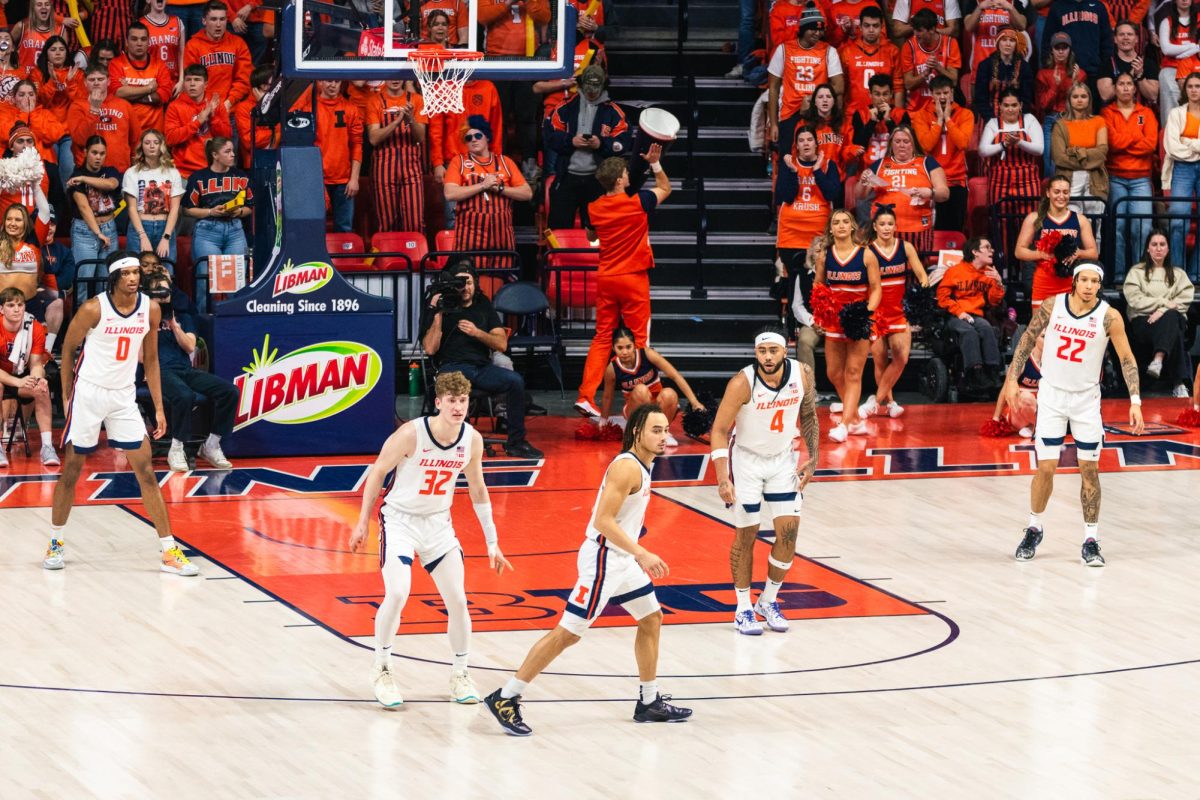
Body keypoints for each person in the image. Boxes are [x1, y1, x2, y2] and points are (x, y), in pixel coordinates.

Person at [483, 403, 693, 735]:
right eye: (656, 430)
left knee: (651, 618)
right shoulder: (627, 468)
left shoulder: (644, 464)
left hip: (621, 560)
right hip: (603, 560)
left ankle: (649, 701)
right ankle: (506, 696)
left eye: (666, 429)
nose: (663, 436)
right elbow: (603, 521)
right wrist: (642, 553)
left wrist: (633, 554)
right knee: (568, 634)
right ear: (636, 432)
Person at [346, 369, 514, 707]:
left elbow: (478, 489)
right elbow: (378, 470)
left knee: (458, 601)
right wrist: (362, 522)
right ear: (438, 402)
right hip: (400, 522)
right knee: (397, 593)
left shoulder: (472, 439)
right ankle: (382, 669)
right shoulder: (411, 434)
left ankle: (460, 674)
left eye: (463, 401)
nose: (458, 407)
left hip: (438, 525)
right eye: (451, 401)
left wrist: (492, 541)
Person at [43, 250, 200, 576]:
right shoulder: (92, 309)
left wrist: (158, 407)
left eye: (136, 273)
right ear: (115, 277)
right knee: (72, 469)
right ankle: (56, 541)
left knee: (146, 471)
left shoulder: (151, 309)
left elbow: (152, 360)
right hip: (89, 393)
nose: (134, 277)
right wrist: (68, 395)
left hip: (124, 396)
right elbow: (68, 349)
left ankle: (169, 551)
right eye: (127, 273)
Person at [1006, 261, 1144, 567]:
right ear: (1074, 281)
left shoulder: (1109, 317)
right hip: (1053, 397)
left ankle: (1090, 540)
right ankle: (1034, 527)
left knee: (1089, 471)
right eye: (1084, 280)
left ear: (1100, 285)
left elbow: (1126, 358)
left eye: (1095, 281)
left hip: (1086, 401)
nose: (1089, 286)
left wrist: (1135, 400)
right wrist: (1012, 380)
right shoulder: (1052, 306)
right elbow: (1027, 339)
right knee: (1046, 468)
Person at [709, 324, 819, 634]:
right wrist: (721, 478)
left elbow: (809, 414)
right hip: (746, 462)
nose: (767, 357)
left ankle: (768, 601)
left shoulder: (802, 374)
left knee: (788, 536)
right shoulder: (742, 383)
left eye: (773, 350)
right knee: (747, 535)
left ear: (786, 350)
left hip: (783, 460)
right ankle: (743, 607)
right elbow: (718, 430)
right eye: (762, 351)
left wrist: (813, 459)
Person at [573, 146, 671, 418]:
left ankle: (586, 396)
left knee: (602, 337)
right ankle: (646, 400)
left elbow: (592, 236)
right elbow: (666, 187)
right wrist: (655, 164)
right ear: (619, 180)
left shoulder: (593, 208)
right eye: (626, 173)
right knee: (640, 341)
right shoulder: (638, 201)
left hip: (606, 277)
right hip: (633, 278)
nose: (629, 175)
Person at [420, 259, 543, 459]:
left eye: (468, 282)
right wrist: (438, 315)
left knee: (515, 381)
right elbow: (430, 349)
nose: (465, 288)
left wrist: (477, 333)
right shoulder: (441, 307)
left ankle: (516, 443)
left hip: (481, 368)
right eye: (459, 283)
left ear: (475, 283)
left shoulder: (483, 305)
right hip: (452, 367)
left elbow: (501, 344)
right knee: (453, 385)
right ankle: (455, 444)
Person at [142, 267, 237, 470]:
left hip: (185, 370)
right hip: (159, 371)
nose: (163, 297)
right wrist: (152, 323)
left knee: (229, 391)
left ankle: (211, 445)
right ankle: (176, 448)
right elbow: (141, 358)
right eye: (157, 293)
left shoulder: (184, 318)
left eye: (166, 293)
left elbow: (190, 346)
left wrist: (174, 326)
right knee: (184, 395)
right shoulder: (140, 320)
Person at [814, 209, 881, 441]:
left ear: (852, 227)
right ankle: (854, 418)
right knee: (834, 372)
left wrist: (867, 312)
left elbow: (876, 289)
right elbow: (818, 287)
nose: (841, 226)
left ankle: (844, 425)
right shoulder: (825, 256)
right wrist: (821, 313)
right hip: (835, 321)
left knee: (853, 372)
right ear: (830, 229)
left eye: (845, 222)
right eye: (836, 222)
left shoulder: (866, 255)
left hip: (859, 320)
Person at [544, 64, 632, 230]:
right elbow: (550, 136)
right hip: (567, 176)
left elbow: (623, 142)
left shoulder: (614, 112)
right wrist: (570, 141)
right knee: (558, 228)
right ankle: (558, 256)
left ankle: (597, 257)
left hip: (598, 180)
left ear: (603, 86)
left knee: (597, 230)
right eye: (588, 86)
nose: (592, 91)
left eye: (596, 86)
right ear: (581, 84)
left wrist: (601, 144)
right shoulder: (565, 107)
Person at [860, 206, 928, 418]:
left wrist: (920, 297)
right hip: (876, 314)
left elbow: (922, 276)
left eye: (890, 224)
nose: (886, 228)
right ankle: (889, 403)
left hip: (899, 312)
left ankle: (874, 400)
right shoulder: (868, 251)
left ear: (896, 226)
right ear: (875, 227)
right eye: (882, 224)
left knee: (901, 357)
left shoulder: (905, 247)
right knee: (880, 360)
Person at [777, 126, 841, 341]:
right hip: (791, 232)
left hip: (818, 234)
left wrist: (816, 171)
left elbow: (833, 193)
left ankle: (820, 321)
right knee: (794, 276)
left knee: (817, 277)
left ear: (816, 143)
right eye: (801, 140)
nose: (805, 144)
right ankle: (792, 325)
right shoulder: (788, 165)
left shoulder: (829, 165)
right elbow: (785, 195)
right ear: (797, 145)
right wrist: (793, 173)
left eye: (809, 139)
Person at [443, 115, 532, 261]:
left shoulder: (505, 162)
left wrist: (501, 188)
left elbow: (527, 193)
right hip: (469, 241)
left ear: (487, 137)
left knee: (501, 281)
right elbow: (450, 193)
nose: (473, 140)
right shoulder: (458, 162)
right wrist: (482, 186)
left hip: (501, 240)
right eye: (468, 138)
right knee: (469, 281)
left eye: (478, 135)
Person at [598, 326, 706, 445]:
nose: (625, 352)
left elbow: (675, 375)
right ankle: (640, 432)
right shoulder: (612, 368)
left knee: (669, 394)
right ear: (613, 348)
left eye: (628, 347)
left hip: (657, 404)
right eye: (620, 348)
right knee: (641, 390)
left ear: (634, 345)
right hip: (634, 407)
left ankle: (663, 433)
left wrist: (694, 402)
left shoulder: (647, 354)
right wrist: (603, 421)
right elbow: (607, 396)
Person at [1122, 230, 1195, 396]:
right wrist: (1164, 303)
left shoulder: (1178, 274)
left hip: (1171, 320)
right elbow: (1135, 300)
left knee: (1171, 318)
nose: (1158, 248)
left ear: (1168, 249)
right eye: (1154, 244)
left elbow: (1184, 300)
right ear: (1147, 248)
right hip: (1145, 322)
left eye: (1162, 245)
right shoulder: (1137, 272)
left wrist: (1161, 311)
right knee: (1173, 322)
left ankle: (1158, 360)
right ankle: (1179, 383)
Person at [767, 3, 844, 158]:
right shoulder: (784, 49)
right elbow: (773, 88)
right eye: (813, 29)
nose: (817, 33)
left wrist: (812, 98)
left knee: (818, 160)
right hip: (789, 114)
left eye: (820, 30)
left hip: (818, 115)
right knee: (788, 162)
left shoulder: (829, 51)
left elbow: (839, 86)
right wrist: (774, 123)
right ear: (802, 29)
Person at [857, 124, 948, 254]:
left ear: (913, 144)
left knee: (915, 270)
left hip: (917, 231)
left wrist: (929, 192)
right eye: (897, 141)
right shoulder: (880, 164)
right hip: (884, 231)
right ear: (891, 144)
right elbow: (860, 195)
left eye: (906, 141)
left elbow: (944, 193)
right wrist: (862, 181)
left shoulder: (927, 163)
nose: (902, 145)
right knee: (884, 270)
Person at [183, 137, 252, 308]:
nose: (233, 155)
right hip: (208, 230)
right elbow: (187, 209)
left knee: (236, 280)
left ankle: (235, 322)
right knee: (205, 280)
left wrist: (240, 211)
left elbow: (250, 206)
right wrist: (210, 211)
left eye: (232, 151)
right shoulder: (199, 177)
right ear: (215, 154)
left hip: (235, 229)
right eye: (227, 152)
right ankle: (203, 326)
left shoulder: (240, 176)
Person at [1013, 174, 1099, 311]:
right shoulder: (1034, 218)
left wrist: (1078, 253)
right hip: (1043, 281)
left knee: (1068, 328)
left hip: (1070, 280)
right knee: (1041, 329)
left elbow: (1094, 252)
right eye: (1057, 192)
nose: (1061, 196)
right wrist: (1041, 254)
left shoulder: (1080, 219)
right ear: (1048, 193)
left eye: (1065, 192)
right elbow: (1019, 251)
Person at [1103, 72, 1158, 280]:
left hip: (1141, 179)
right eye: (1121, 84)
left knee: (1141, 228)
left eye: (1129, 84)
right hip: (1116, 177)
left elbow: (1150, 144)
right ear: (1115, 88)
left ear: (1135, 89)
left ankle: (1139, 276)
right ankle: (1118, 276)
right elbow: (1112, 142)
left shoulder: (1146, 113)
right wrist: (1136, 138)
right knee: (1118, 228)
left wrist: (1125, 142)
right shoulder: (1107, 113)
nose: (1125, 87)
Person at [937, 237, 1007, 390]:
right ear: (975, 252)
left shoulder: (989, 273)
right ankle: (975, 373)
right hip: (955, 315)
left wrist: (999, 282)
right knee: (969, 332)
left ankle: (993, 372)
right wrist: (959, 312)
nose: (992, 250)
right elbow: (942, 297)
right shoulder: (955, 271)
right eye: (987, 247)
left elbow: (994, 301)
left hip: (976, 315)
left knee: (988, 329)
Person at [0, 286, 57, 466]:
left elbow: (35, 363)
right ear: (1, 309)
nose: (16, 309)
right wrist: (18, 381)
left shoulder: (34, 327)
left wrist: (37, 378)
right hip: (5, 376)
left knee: (41, 388)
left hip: (21, 374)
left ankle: (47, 446)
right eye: (10, 305)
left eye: (20, 304)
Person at [912, 75, 974, 232]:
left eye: (946, 93)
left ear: (952, 93)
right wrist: (939, 121)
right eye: (938, 93)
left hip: (957, 180)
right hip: (931, 182)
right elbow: (926, 145)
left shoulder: (965, 114)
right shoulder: (920, 115)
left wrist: (948, 118)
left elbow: (963, 143)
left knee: (955, 231)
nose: (942, 97)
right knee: (933, 231)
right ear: (932, 95)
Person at [367, 79, 427, 234]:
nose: (395, 80)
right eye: (391, 76)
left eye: (398, 76)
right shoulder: (375, 100)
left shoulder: (416, 100)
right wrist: (397, 122)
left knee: (415, 222)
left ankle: (414, 257)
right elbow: (373, 138)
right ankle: (388, 258)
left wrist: (411, 120)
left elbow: (421, 137)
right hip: (384, 169)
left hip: (412, 169)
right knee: (386, 223)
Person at [979, 88, 1043, 216]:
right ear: (1000, 107)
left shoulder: (1030, 120)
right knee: (1000, 222)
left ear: (1020, 106)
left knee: (1029, 221)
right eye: (1006, 105)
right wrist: (1003, 144)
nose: (1010, 109)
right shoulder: (993, 123)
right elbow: (982, 150)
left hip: (1028, 181)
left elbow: (1039, 149)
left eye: (1014, 105)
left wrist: (1018, 142)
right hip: (999, 182)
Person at [68, 136, 121, 289]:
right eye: (94, 152)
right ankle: (81, 312)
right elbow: (84, 209)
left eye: (102, 153)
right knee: (83, 280)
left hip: (110, 227)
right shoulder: (75, 175)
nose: (98, 157)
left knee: (106, 281)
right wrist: (98, 233)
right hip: (85, 230)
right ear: (85, 152)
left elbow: (111, 184)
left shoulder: (109, 171)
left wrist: (84, 179)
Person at [124, 129, 184, 265]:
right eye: (147, 142)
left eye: (156, 142)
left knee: (166, 271)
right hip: (140, 225)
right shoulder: (132, 172)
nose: (151, 146)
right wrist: (142, 236)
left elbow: (175, 209)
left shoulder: (173, 172)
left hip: (165, 225)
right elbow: (132, 208)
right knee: (138, 272)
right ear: (141, 146)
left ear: (161, 146)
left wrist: (166, 237)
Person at [166, 63, 234, 179]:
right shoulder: (174, 106)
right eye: (188, 80)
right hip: (184, 173)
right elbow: (170, 139)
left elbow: (226, 137)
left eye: (197, 80)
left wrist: (213, 118)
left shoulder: (216, 104)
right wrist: (198, 121)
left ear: (206, 84)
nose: (192, 84)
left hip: (213, 169)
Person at [1050, 82, 1107, 219]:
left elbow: (1102, 153)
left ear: (1089, 99)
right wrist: (1089, 157)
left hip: (1095, 179)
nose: (1080, 100)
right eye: (1075, 96)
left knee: (1094, 225)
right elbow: (1059, 158)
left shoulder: (1099, 121)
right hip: (1069, 179)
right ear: (1069, 100)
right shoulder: (1060, 125)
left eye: (1083, 96)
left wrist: (1074, 152)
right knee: (1070, 224)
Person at [1162, 71, 1200, 279]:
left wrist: (1189, 142)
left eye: (1198, 86)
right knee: (1178, 221)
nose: (1194, 90)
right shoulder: (1176, 113)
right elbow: (1172, 147)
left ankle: (1196, 274)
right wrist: (1196, 148)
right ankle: (1177, 273)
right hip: (1182, 167)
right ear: (1185, 90)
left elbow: (1182, 144)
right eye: (1190, 86)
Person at [182, 1, 252, 112]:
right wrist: (206, 108)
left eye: (222, 19)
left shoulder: (238, 44)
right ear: (204, 21)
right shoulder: (193, 46)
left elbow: (243, 79)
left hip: (230, 109)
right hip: (202, 111)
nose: (218, 24)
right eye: (213, 19)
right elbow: (191, 82)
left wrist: (229, 103)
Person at [68, 66, 139, 173]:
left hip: (120, 170)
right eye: (92, 79)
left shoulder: (124, 105)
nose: (96, 83)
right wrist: (94, 110)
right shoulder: (77, 106)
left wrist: (135, 163)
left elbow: (136, 139)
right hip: (88, 171)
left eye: (100, 79)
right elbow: (80, 140)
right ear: (85, 83)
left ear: (109, 81)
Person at [1035, 32, 1087, 177]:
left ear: (1070, 51)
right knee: (1050, 168)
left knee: (1073, 166)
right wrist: (1055, 86)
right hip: (1051, 120)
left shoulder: (1080, 74)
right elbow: (1043, 105)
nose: (1061, 51)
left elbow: (1081, 107)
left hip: (1072, 121)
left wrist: (1076, 84)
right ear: (1052, 50)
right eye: (1057, 47)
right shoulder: (1043, 74)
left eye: (1064, 47)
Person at [838, 6, 904, 116]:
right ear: (860, 27)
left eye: (875, 26)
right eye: (867, 25)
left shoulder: (892, 51)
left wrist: (897, 116)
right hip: (853, 115)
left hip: (885, 114)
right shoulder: (847, 51)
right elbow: (840, 88)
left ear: (882, 27)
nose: (871, 30)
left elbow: (898, 87)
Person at [901, 9, 962, 113]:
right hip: (916, 111)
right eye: (914, 30)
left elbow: (954, 81)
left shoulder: (951, 44)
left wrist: (938, 67)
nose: (915, 34)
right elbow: (908, 84)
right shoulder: (909, 46)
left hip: (944, 111)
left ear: (932, 29)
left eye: (919, 30)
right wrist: (925, 73)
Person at [972, 26, 1034, 121]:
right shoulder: (985, 66)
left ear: (1016, 44)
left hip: (1017, 118)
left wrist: (1015, 119)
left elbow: (1026, 99)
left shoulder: (1024, 67)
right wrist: (992, 119)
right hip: (990, 118)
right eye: (1004, 40)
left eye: (1012, 41)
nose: (1008, 44)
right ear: (998, 42)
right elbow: (981, 99)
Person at [989, 332, 1042, 437]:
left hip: (1040, 408)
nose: (1047, 340)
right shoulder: (1022, 360)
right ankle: (1042, 428)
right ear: (1035, 338)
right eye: (1043, 337)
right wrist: (996, 418)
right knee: (1026, 397)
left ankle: (1034, 427)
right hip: (1019, 410)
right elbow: (1005, 388)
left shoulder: (1054, 361)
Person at [964, 1, 1029, 78]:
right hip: (980, 61)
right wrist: (979, 8)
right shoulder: (975, 2)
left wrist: (1010, 8)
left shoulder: (1013, 2)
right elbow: (968, 27)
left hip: (1007, 63)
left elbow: (1022, 26)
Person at [1100, 19, 1159, 104]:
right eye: (1121, 34)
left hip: (1141, 113)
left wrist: (1140, 76)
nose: (1126, 37)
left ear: (1136, 39)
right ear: (1115, 39)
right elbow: (1105, 95)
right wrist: (1131, 75)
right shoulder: (1106, 64)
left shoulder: (1148, 63)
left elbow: (1153, 95)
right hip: (1114, 114)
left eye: (1130, 34)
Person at [1158, 0, 1199, 111]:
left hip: (1196, 67)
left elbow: (1172, 49)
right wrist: (1194, 47)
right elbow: (1166, 50)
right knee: (1172, 109)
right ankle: (1171, 128)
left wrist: (1178, 52)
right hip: (1171, 67)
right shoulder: (1166, 22)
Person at [142, 0, 187, 85]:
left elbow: (182, 54)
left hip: (174, 82)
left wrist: (181, 81)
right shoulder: (141, 24)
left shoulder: (177, 22)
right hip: (151, 82)